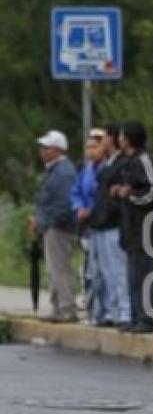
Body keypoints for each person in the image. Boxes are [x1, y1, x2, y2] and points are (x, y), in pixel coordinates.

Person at [113, 121, 153, 334]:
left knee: (144, 273)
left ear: (129, 138)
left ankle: (147, 319)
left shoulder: (144, 160)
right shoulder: (129, 161)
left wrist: (132, 196)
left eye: (122, 135)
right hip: (131, 227)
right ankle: (136, 317)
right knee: (133, 275)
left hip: (145, 226)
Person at [86, 124, 131, 329]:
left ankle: (125, 312)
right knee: (105, 272)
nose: (100, 142)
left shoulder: (122, 163)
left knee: (118, 271)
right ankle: (112, 311)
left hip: (114, 224)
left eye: (103, 138)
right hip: (101, 224)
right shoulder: (107, 165)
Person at [30, 130, 77, 322]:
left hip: (58, 227)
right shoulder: (54, 170)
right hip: (50, 226)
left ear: (58, 150)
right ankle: (57, 308)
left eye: (46, 147)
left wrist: (48, 223)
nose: (42, 150)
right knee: (53, 269)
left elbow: (63, 203)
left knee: (60, 268)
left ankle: (66, 309)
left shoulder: (63, 171)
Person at [70, 130, 108, 323]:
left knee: (101, 271)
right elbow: (75, 191)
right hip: (86, 226)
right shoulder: (84, 170)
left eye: (94, 146)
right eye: (87, 147)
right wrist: (79, 208)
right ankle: (92, 308)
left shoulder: (106, 169)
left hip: (101, 222)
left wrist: (91, 209)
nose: (90, 151)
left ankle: (103, 310)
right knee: (88, 270)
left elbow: (102, 196)